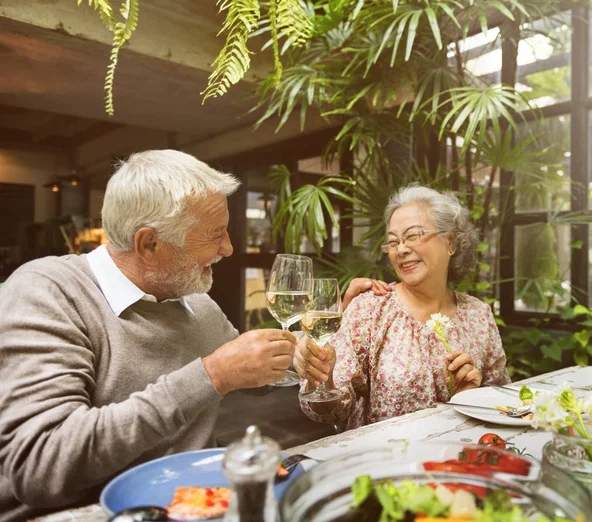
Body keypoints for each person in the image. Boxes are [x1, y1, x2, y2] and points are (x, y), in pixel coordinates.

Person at [0, 150, 371, 522]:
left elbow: (243, 368)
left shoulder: (194, 299)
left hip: (193, 503)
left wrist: (291, 358)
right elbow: (40, 467)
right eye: (214, 235)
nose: (228, 248)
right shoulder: (46, 292)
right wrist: (211, 375)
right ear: (149, 244)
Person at [294, 184, 511, 431]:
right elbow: (331, 412)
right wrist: (321, 377)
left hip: (458, 458)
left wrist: (471, 396)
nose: (402, 249)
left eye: (413, 236)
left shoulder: (478, 315)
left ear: (450, 242)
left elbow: (501, 401)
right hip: (385, 461)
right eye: (393, 242)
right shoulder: (370, 310)